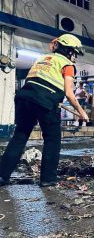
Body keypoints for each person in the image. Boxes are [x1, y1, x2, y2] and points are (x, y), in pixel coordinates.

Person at [0, 34, 89, 187]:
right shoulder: (67, 65)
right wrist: (82, 112)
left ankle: (2, 175)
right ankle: (48, 179)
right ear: (68, 51)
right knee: (52, 139)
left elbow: (37, 81)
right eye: (74, 53)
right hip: (45, 101)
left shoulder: (43, 58)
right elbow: (69, 93)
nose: (75, 57)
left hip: (24, 98)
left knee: (20, 136)